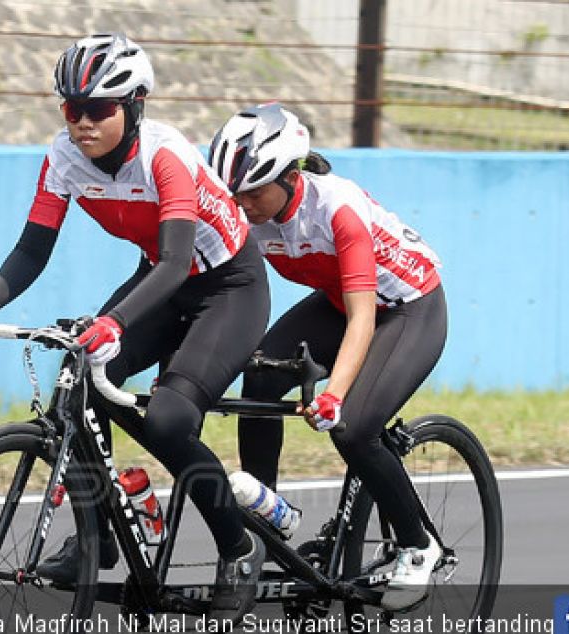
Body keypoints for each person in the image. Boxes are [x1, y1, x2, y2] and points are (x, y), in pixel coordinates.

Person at [0, 34, 270, 621]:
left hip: (226, 288)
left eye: (98, 109)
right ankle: (101, 535)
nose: (81, 123)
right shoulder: (62, 157)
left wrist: (113, 322)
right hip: (161, 278)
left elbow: (174, 262)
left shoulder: (165, 157)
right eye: (71, 109)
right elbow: (33, 250)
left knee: (167, 419)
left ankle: (239, 548)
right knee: (79, 374)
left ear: (135, 104)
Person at [208, 103, 447, 610]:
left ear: (290, 177)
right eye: (234, 193)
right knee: (260, 371)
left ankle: (417, 544)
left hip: (406, 308)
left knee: (353, 427)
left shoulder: (336, 208)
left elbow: (364, 316)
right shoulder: (245, 214)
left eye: (253, 191)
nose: (242, 204)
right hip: (340, 302)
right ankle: (265, 517)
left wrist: (335, 393)